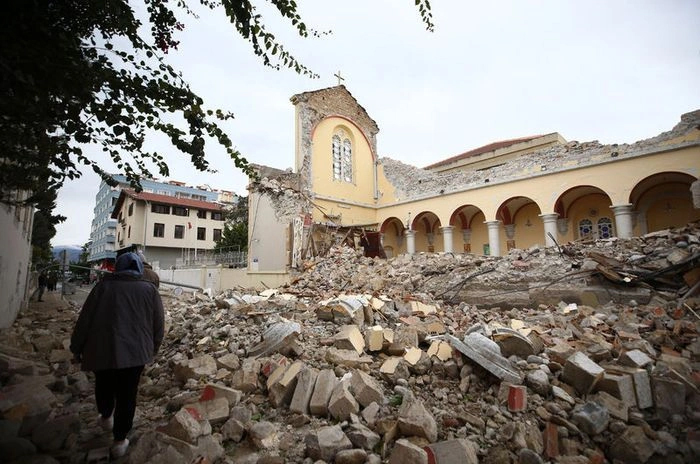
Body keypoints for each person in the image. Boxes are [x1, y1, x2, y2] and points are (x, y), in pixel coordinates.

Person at [70, 252, 164, 458]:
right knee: (127, 394)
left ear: (117, 268)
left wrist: (76, 347)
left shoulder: (102, 287)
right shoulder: (150, 290)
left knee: (103, 384)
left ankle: (106, 415)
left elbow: (85, 320)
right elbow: (158, 323)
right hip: (136, 353)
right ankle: (120, 440)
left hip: (102, 349)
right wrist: (154, 347)